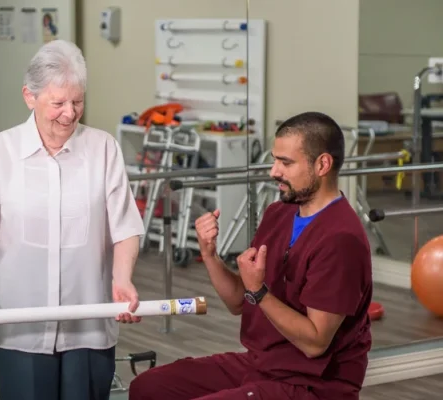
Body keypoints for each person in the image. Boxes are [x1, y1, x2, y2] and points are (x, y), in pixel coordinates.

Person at [129, 111, 373, 400]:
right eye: (275, 159)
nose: (274, 171)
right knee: (147, 387)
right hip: (263, 365)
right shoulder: (279, 213)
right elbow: (238, 303)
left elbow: (315, 343)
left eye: (286, 162)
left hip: (313, 385)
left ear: (322, 164)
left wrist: (259, 291)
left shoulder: (340, 239)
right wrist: (210, 255)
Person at [0, 39, 145, 400]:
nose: (70, 114)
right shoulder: (1, 150)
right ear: (30, 96)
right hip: (20, 326)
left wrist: (122, 280)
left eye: (77, 102)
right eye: (58, 103)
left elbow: (124, 228)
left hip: (89, 323)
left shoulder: (103, 148)